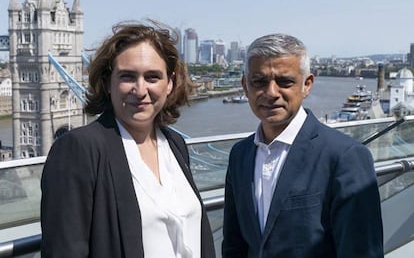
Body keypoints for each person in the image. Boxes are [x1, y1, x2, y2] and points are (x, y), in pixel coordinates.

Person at [41, 20, 216, 258]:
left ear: (170, 83)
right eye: (127, 77)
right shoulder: (79, 149)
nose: (140, 90)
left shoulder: (175, 144)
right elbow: (64, 250)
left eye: (153, 77)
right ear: (108, 83)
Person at [222, 34, 383, 257]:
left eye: (285, 82)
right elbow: (234, 243)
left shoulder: (345, 156)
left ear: (307, 85)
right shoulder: (240, 155)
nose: (271, 93)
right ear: (245, 86)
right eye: (259, 81)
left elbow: (361, 250)